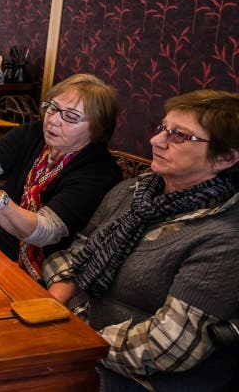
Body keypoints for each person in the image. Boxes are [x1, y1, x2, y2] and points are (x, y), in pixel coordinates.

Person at [43, 90, 239, 391]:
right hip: (75, 335)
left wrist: (72, 341)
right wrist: (56, 302)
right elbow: (75, 253)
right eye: (162, 128)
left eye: (180, 136)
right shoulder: (134, 191)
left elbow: (166, 346)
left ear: (225, 158)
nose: (156, 141)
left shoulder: (224, 238)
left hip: (133, 377)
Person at [0, 73, 122, 281]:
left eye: (70, 116)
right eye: (53, 108)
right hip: (4, 245)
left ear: (97, 128)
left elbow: (44, 232)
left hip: (49, 275)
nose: (53, 120)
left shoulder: (99, 172)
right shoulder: (34, 134)